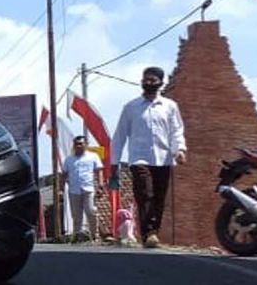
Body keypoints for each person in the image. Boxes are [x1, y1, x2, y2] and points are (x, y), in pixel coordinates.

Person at [109, 66, 186, 249]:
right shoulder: (131, 107)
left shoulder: (169, 106)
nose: (148, 83)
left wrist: (180, 150)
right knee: (145, 194)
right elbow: (119, 135)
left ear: (160, 83)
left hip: (163, 159)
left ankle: (153, 233)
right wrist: (114, 163)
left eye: (152, 80)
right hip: (139, 159)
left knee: (159, 197)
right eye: (145, 80)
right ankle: (149, 233)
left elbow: (176, 131)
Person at [62, 135, 104, 242]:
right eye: (76, 144)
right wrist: (60, 189)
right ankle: (77, 236)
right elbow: (64, 174)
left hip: (88, 188)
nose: (78, 146)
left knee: (91, 211)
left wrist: (100, 185)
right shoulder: (69, 159)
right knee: (76, 215)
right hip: (74, 190)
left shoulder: (93, 156)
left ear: (86, 145)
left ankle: (95, 235)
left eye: (81, 143)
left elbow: (99, 171)